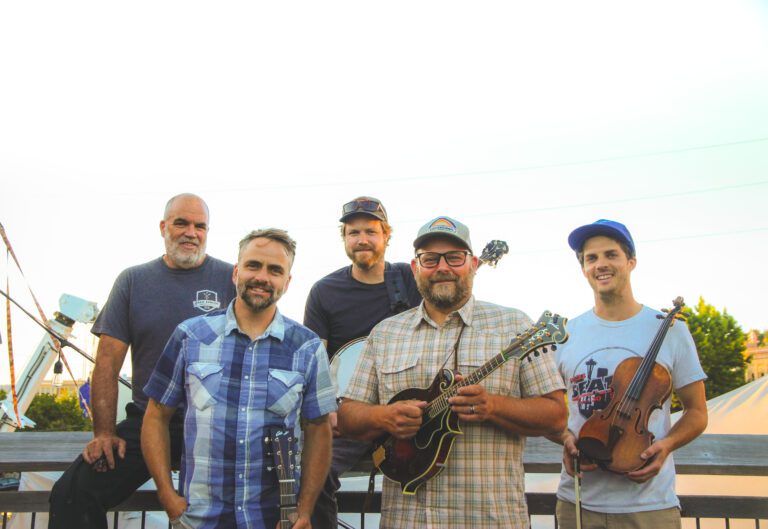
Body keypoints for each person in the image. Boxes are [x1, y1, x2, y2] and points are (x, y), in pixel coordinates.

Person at [337, 216, 567, 529]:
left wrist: (493, 406)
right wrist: (385, 417)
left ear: (472, 264)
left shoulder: (515, 326)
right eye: (430, 259)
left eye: (454, 258)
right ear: (415, 267)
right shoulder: (385, 333)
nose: (442, 267)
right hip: (406, 520)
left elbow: (556, 415)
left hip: (491, 520)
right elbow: (348, 416)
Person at [49, 193, 237, 529]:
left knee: (248, 503)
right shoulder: (133, 281)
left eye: (200, 225)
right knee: (72, 493)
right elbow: (107, 362)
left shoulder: (232, 278)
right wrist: (104, 433)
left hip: (216, 423)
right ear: (163, 227)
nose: (191, 232)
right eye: (181, 223)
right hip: (150, 420)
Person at [142, 228, 336, 529]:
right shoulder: (190, 335)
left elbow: (319, 429)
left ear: (287, 282)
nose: (262, 277)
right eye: (253, 265)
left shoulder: (306, 347)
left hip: (273, 519)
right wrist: (167, 496)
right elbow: (155, 416)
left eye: (275, 270)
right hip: (198, 519)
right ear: (236, 272)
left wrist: (305, 509)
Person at [551, 219, 708, 529]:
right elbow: (550, 411)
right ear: (583, 269)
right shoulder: (566, 335)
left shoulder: (670, 328)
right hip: (579, 501)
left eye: (611, 255)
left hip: (650, 505)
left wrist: (666, 445)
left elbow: (697, 412)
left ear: (631, 262)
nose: (601, 265)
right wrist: (564, 437)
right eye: (591, 258)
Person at [303, 196, 421, 528]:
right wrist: (327, 409)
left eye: (371, 231)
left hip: (408, 409)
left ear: (387, 235)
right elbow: (314, 362)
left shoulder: (410, 280)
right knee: (313, 472)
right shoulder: (325, 291)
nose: (362, 239)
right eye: (353, 232)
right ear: (344, 239)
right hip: (350, 416)